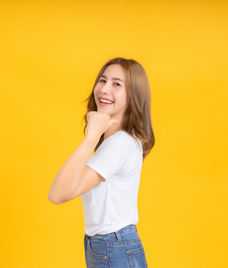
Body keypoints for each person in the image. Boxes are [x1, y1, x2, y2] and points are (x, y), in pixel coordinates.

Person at [48, 57, 154, 267]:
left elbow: (57, 194)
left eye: (117, 84)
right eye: (102, 80)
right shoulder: (116, 141)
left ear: (134, 96)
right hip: (108, 245)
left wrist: (90, 138)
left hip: (113, 246)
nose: (104, 89)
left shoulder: (119, 145)